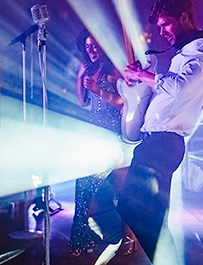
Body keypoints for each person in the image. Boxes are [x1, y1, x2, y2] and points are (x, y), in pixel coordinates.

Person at [117, 0, 203, 264]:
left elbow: (180, 86)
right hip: (157, 142)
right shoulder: (184, 51)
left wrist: (144, 75)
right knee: (154, 217)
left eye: (166, 24)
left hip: (164, 144)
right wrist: (143, 78)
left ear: (183, 17)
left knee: (131, 205)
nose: (162, 31)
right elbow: (166, 91)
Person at [68, 29, 125, 258]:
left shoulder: (113, 70)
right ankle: (80, 238)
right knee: (82, 186)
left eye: (95, 46)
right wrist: (80, 78)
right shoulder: (91, 70)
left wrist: (98, 90)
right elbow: (82, 102)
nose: (91, 50)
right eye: (88, 46)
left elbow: (122, 102)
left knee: (100, 190)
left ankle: (110, 238)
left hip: (112, 136)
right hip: (94, 135)